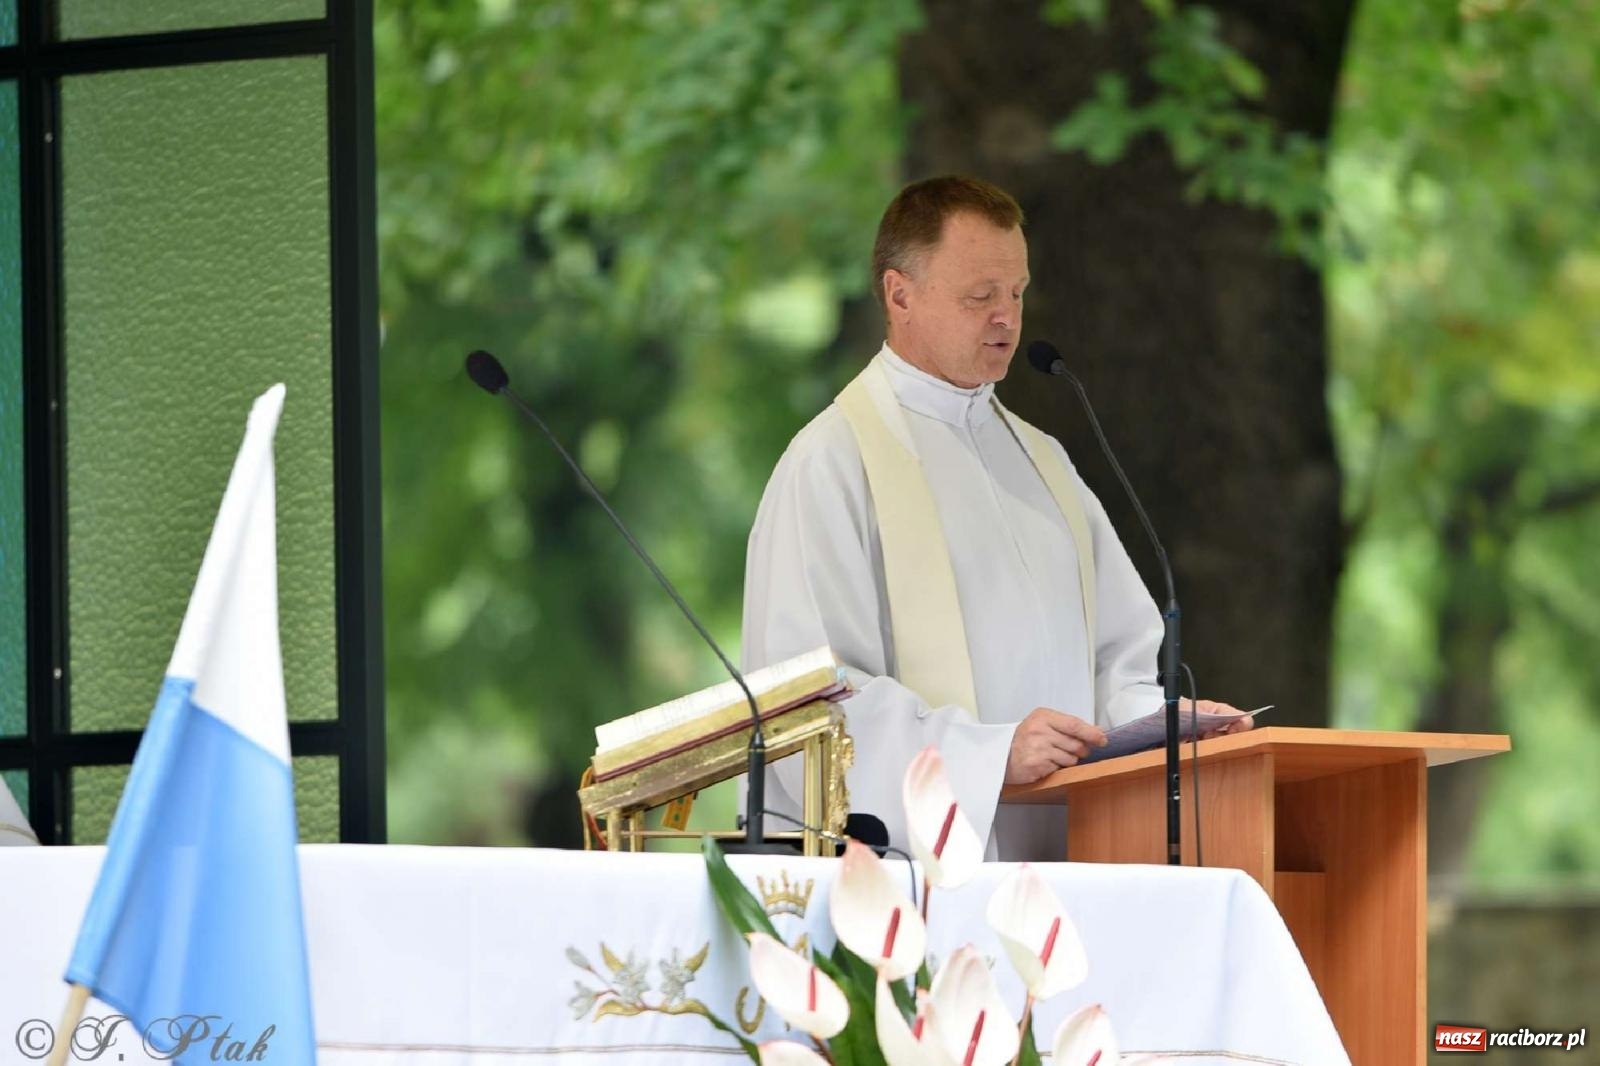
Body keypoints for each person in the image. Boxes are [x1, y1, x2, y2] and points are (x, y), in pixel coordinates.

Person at [740, 176, 1250, 860]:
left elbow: (1114, 667)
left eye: (1016, 293)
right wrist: (988, 757)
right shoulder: (832, 463)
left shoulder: (1044, 464)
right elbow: (806, 707)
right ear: (900, 295)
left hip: (1070, 863)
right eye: (980, 296)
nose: (1007, 319)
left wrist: (1162, 726)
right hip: (909, 882)